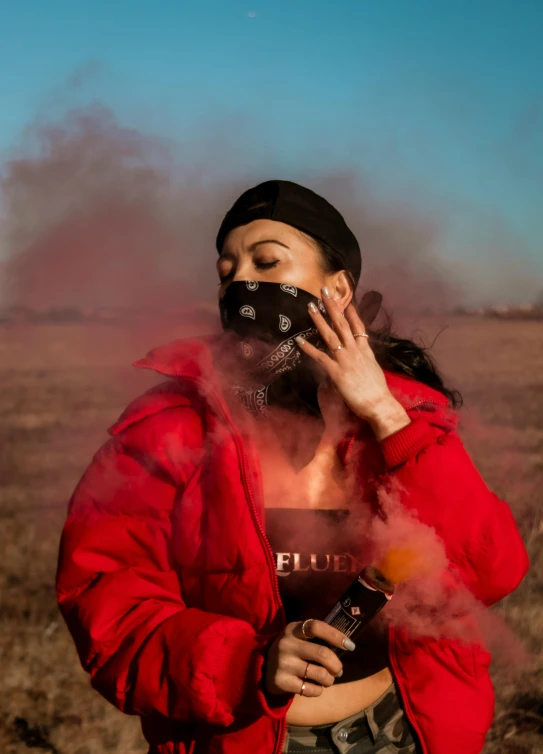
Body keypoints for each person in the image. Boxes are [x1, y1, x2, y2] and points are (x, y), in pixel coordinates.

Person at [56, 180, 529, 754]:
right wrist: (245, 663)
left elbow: (490, 571)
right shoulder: (168, 428)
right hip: (248, 737)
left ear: (337, 288)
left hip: (406, 731)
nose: (240, 284)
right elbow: (109, 605)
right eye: (227, 271)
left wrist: (384, 415)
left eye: (267, 261)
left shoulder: (405, 418)